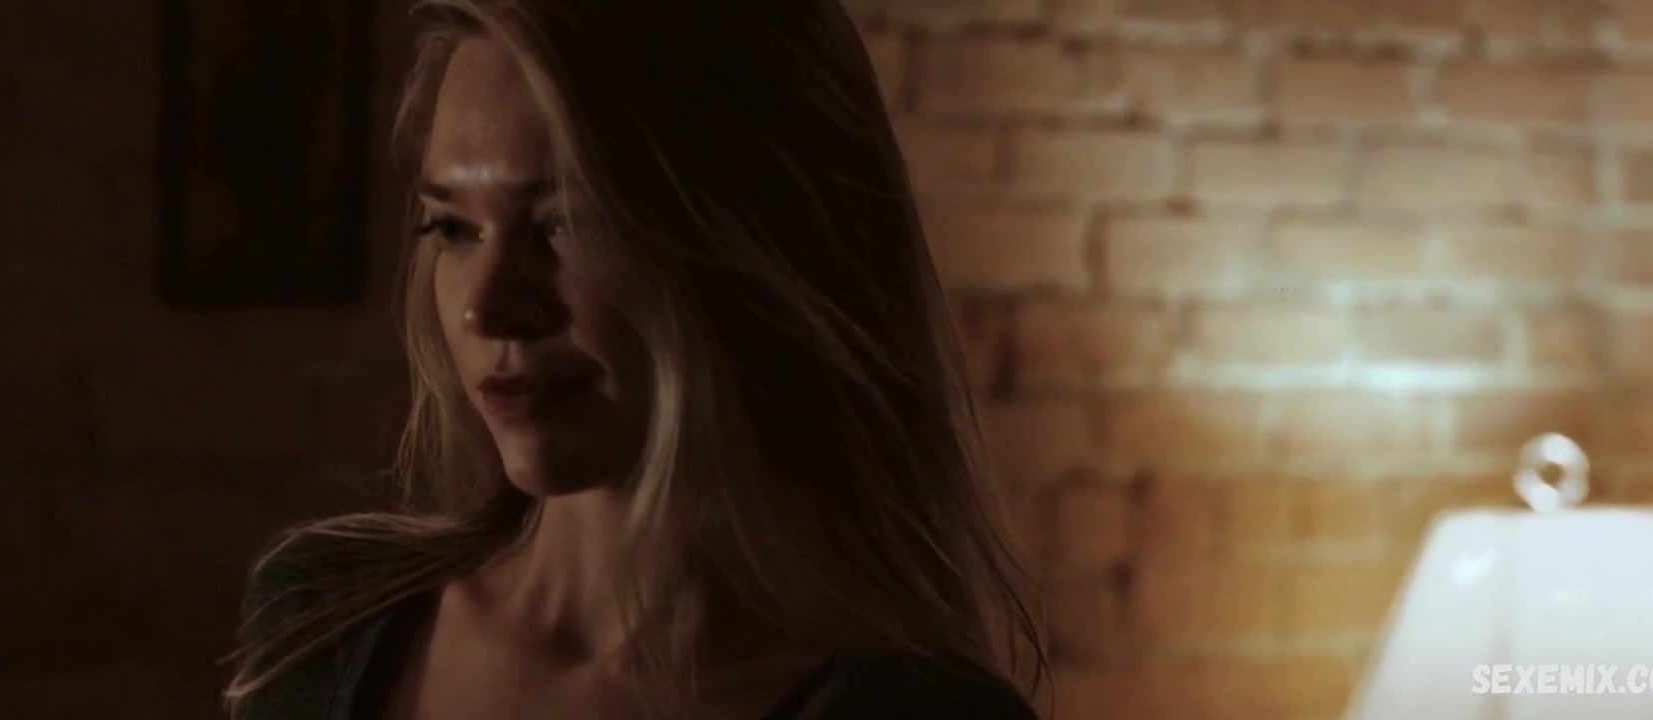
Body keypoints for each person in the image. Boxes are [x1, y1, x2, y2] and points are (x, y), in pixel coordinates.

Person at [221, 0, 1049, 717]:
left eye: (566, 221)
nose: (486, 307)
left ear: (760, 239)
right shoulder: (321, 621)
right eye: (454, 228)